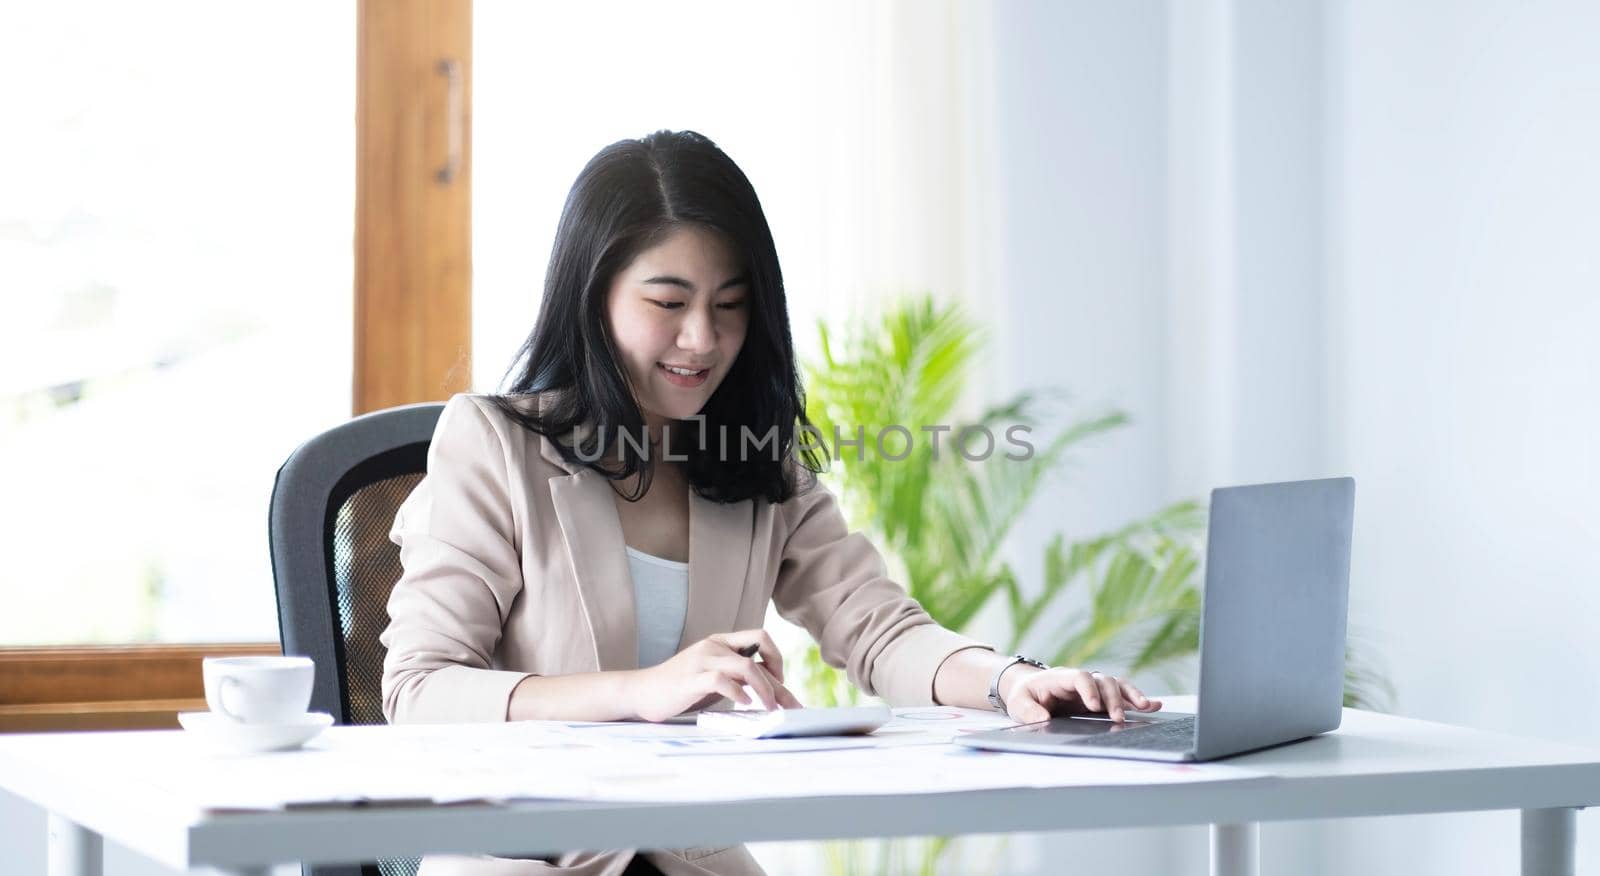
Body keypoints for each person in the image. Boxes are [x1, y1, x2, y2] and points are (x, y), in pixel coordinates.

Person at [378, 129, 1161, 876]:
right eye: (668, 301)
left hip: (689, 859)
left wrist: (1009, 683)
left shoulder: (754, 461)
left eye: (730, 304)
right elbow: (420, 690)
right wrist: (646, 693)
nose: (703, 339)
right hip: (526, 862)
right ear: (595, 297)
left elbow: (879, 629)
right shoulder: (493, 444)